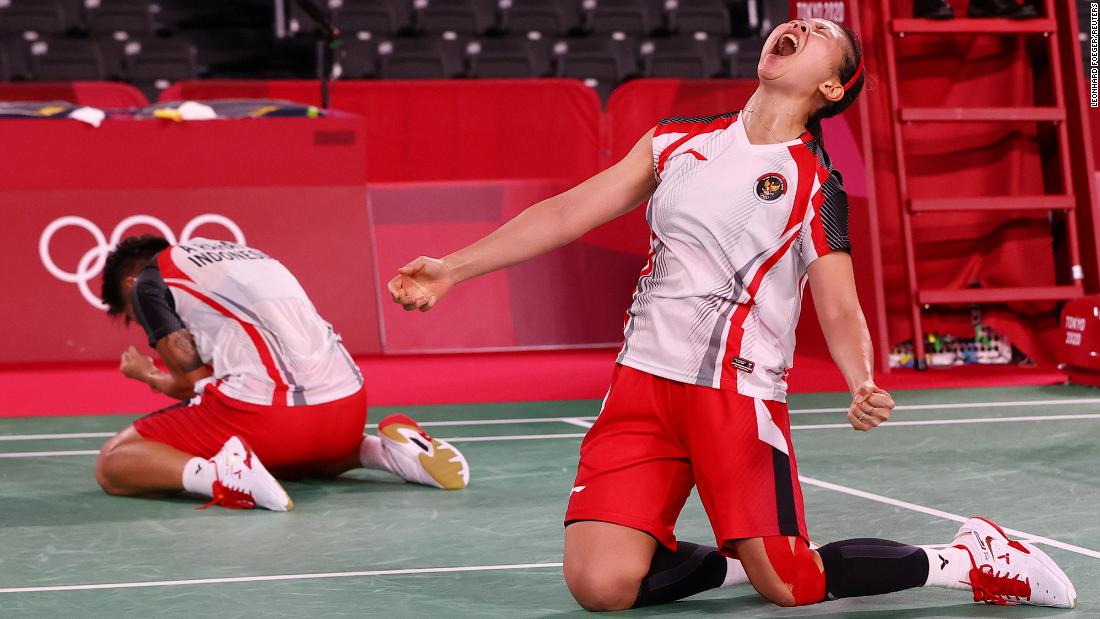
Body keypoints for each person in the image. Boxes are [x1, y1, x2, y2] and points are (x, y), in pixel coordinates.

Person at [387, 17, 1075, 610]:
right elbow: (568, 211)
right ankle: (746, 557)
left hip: (736, 394)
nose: (802, 29)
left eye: (823, 39)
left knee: (794, 582)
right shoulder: (676, 141)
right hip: (640, 387)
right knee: (600, 582)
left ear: (830, 88)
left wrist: (860, 378)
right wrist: (453, 267)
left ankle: (970, 557)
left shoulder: (814, 185)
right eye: (800, 25)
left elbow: (838, 302)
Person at [97, 235, 469, 511]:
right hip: (346, 411)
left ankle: (225, 477)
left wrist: (147, 375)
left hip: (273, 419)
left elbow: (193, 383)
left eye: (135, 317)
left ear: (130, 284)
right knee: (293, 452)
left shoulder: (149, 282)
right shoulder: (244, 255)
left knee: (115, 461)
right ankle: (383, 453)